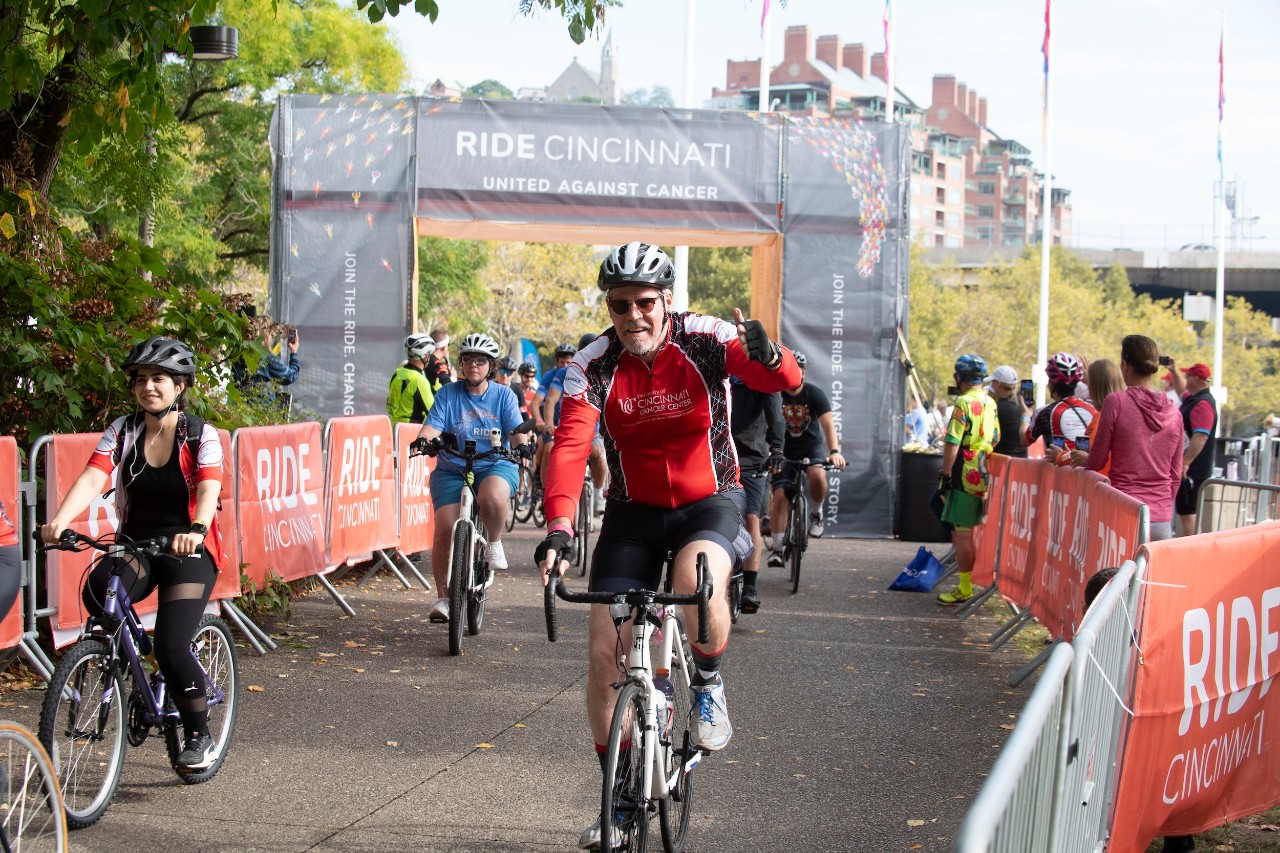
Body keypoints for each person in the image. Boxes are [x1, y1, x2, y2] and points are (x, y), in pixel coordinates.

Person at [532, 241, 801, 850]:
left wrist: (773, 355)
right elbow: (571, 446)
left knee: (695, 578)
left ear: (667, 300)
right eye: (620, 304)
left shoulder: (705, 337)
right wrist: (560, 528)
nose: (634, 316)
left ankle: (706, 680)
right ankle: (622, 799)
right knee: (605, 655)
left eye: (646, 303)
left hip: (710, 500)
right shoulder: (593, 365)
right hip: (633, 512)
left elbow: (778, 377)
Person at [40, 336, 225, 770]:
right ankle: (134, 661)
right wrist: (60, 521)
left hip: (187, 548)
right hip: (136, 543)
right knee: (99, 590)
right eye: (141, 379)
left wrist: (197, 529)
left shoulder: (200, 433)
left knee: (172, 644)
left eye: (159, 378)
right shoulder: (123, 430)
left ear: (179, 385)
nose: (148, 386)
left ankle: (198, 733)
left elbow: (209, 486)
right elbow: (93, 477)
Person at [413, 333, 530, 623]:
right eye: (467, 359)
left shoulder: (504, 395)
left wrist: (523, 446)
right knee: (444, 529)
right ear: (461, 364)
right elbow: (432, 425)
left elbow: (516, 431)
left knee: (491, 496)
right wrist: (423, 440)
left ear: (491, 366)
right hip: (452, 466)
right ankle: (443, 598)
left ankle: (494, 543)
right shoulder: (448, 393)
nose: (473, 365)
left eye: (480, 360)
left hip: (494, 464)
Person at [1071, 335, 1182, 541]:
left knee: (1115, 565)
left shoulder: (1116, 402)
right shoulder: (1175, 412)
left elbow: (1097, 461)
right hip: (1161, 518)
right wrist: (1164, 506)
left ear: (1124, 365)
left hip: (1123, 511)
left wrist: (1084, 459)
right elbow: (1175, 473)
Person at [766, 350, 846, 566]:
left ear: (804, 372)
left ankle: (816, 513)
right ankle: (777, 549)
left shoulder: (815, 394)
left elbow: (828, 425)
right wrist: (768, 451)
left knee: (818, 475)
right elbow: (765, 424)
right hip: (783, 451)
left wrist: (834, 451)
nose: (796, 371)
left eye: (800, 368)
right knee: (780, 496)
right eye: (792, 367)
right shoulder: (775, 394)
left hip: (811, 449)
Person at [936, 354, 1000, 606]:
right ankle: (968, 585)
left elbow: (952, 441)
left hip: (964, 469)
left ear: (958, 377)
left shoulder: (963, 402)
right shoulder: (990, 402)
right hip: (984, 468)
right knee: (972, 531)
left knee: (962, 533)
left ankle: (964, 588)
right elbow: (996, 437)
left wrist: (945, 474)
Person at [729, 375, 784, 613]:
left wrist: (777, 448)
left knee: (752, 517)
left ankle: (750, 587)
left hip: (751, 455)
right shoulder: (716, 365)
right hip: (717, 452)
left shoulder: (761, 371)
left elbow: (774, 412)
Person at [543, 334, 608, 519]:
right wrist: (549, 423)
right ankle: (552, 499)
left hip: (595, 431)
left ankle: (598, 495)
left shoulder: (606, 372)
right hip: (568, 430)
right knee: (551, 453)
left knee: (600, 456)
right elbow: (550, 400)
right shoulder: (565, 372)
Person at [1168, 360, 1218, 536]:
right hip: (1189, 468)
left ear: (1196, 379)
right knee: (1186, 511)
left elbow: (1201, 437)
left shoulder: (1203, 404)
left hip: (1193, 470)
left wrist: (1186, 462)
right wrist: (1173, 371)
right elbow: (1182, 391)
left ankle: (1194, 548)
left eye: (1188, 375)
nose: (1185, 378)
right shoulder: (1195, 399)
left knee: (1188, 512)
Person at [1021, 352, 1096, 461]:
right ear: (1076, 384)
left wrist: (1025, 414)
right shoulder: (1093, 406)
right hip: (1090, 470)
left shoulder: (1045, 412)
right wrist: (1090, 382)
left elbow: (1024, 441)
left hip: (1060, 469)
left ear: (1051, 386)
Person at [531, 342, 577, 498]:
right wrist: (540, 421)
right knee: (548, 449)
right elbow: (536, 402)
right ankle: (546, 493)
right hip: (552, 424)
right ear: (557, 362)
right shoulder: (549, 377)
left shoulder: (577, 374)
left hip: (571, 425)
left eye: (568, 362)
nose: (565, 366)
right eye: (562, 362)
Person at [234, 309, 300, 406]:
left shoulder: (239, 353)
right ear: (266, 336)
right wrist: (294, 353)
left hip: (239, 405)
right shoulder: (266, 357)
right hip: (261, 406)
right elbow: (290, 376)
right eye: (271, 335)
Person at [386, 333, 437, 424]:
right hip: (410, 430)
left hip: (392, 427)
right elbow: (434, 413)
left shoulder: (397, 373)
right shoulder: (419, 380)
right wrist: (438, 393)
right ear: (426, 356)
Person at [989, 365, 1029, 458]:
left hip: (1000, 462)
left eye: (992, 381)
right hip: (1021, 461)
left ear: (998, 384)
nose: (991, 384)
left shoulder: (995, 408)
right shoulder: (1021, 408)